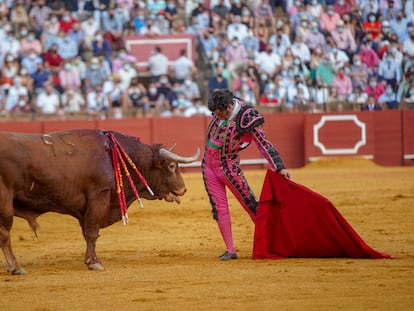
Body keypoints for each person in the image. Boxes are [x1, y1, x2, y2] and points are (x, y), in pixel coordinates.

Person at [201, 88, 291, 261]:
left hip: (228, 166)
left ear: (228, 108)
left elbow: (263, 143)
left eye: (219, 114)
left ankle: (276, 244)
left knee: (250, 204)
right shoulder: (220, 108)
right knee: (219, 207)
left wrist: (279, 167)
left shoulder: (247, 116)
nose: (216, 117)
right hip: (208, 166)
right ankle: (230, 250)